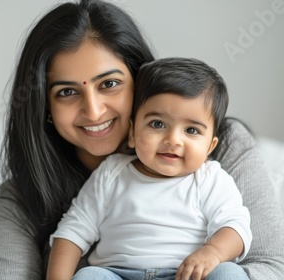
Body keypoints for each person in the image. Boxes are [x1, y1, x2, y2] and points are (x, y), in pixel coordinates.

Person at [0, 0, 284, 279]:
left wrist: (211, 258)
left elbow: (278, 267)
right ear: (44, 106)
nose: (93, 111)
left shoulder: (223, 151)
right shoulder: (19, 200)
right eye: (66, 92)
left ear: (139, 81)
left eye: (109, 84)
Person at [47, 57, 252, 280]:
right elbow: (72, 231)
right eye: (158, 124)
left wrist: (212, 253)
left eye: (191, 130)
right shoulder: (111, 174)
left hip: (186, 275)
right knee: (89, 276)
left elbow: (236, 226)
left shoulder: (210, 179)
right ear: (133, 133)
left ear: (210, 146)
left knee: (229, 273)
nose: (173, 140)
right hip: (118, 274)